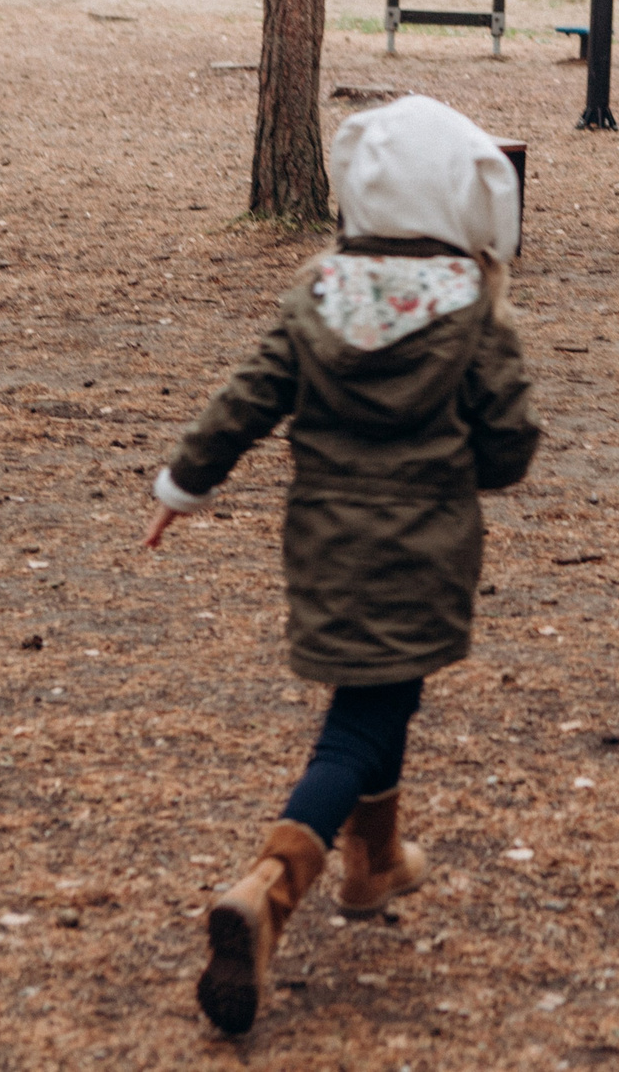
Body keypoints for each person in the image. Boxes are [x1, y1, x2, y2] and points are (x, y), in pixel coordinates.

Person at [142, 95, 540, 1037]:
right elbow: (512, 443)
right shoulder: (472, 313)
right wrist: (464, 470)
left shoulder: (314, 293)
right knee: (360, 723)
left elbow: (246, 398)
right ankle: (272, 885)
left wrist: (180, 485)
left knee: (377, 697)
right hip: (424, 549)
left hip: (322, 544)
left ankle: (375, 862)